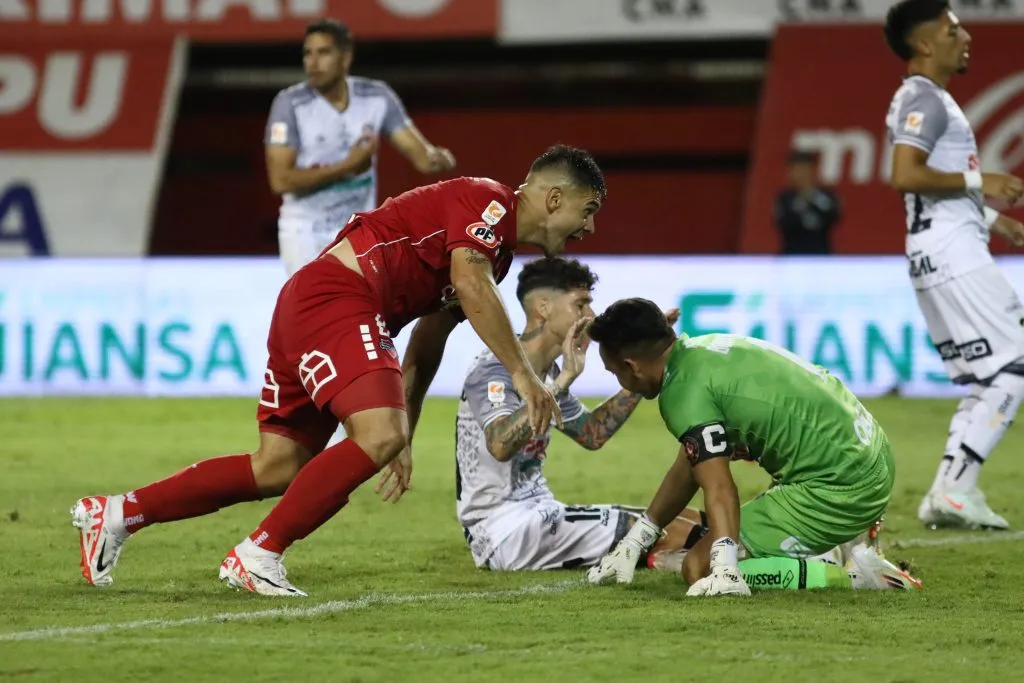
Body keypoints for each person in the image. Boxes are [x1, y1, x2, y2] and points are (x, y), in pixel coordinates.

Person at [72, 145, 606, 597]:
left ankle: (118, 513)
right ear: (555, 198)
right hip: (339, 298)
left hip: (312, 304)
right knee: (374, 435)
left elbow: (428, 339)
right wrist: (522, 374)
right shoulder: (486, 200)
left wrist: (405, 435)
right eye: (589, 209)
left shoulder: (498, 254)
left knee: (278, 465)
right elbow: (470, 283)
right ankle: (258, 554)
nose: (590, 226)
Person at [584, 298, 921, 595]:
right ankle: (848, 544)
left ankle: (854, 578)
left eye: (615, 372)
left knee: (697, 568)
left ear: (631, 365)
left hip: (839, 488)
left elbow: (718, 486)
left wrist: (725, 564)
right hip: (870, 453)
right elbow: (691, 463)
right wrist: (637, 539)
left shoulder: (682, 395)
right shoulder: (702, 351)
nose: (620, 381)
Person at [455, 257, 706, 572]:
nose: (590, 315)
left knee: (690, 518)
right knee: (673, 532)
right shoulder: (495, 369)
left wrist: (646, 364)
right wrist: (561, 384)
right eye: (580, 304)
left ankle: (678, 559)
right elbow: (500, 445)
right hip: (505, 530)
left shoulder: (546, 373)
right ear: (543, 308)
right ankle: (740, 567)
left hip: (541, 512)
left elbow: (593, 433)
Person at [883, 1, 1024, 530]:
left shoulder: (926, 98)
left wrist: (994, 219)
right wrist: (978, 180)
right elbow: (904, 174)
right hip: (951, 254)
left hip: (941, 250)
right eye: (951, 28)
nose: (964, 35)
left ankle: (948, 490)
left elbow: (929, 185)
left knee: (991, 375)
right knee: (1014, 365)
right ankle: (957, 487)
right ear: (924, 43)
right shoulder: (924, 99)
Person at [265, 18, 457, 276]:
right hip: (304, 233)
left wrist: (436, 157)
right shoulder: (289, 104)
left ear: (345, 58)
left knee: (363, 309)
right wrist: (348, 167)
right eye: (307, 53)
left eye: (323, 52)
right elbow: (280, 181)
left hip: (358, 230)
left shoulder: (376, 97)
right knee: (319, 312)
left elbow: (421, 156)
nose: (313, 62)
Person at [773, 150, 842, 255]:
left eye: (803, 170)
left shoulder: (827, 196)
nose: (799, 175)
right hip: (791, 256)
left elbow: (832, 217)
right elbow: (784, 222)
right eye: (795, 170)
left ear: (812, 171)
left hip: (820, 256)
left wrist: (812, 200)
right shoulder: (784, 198)